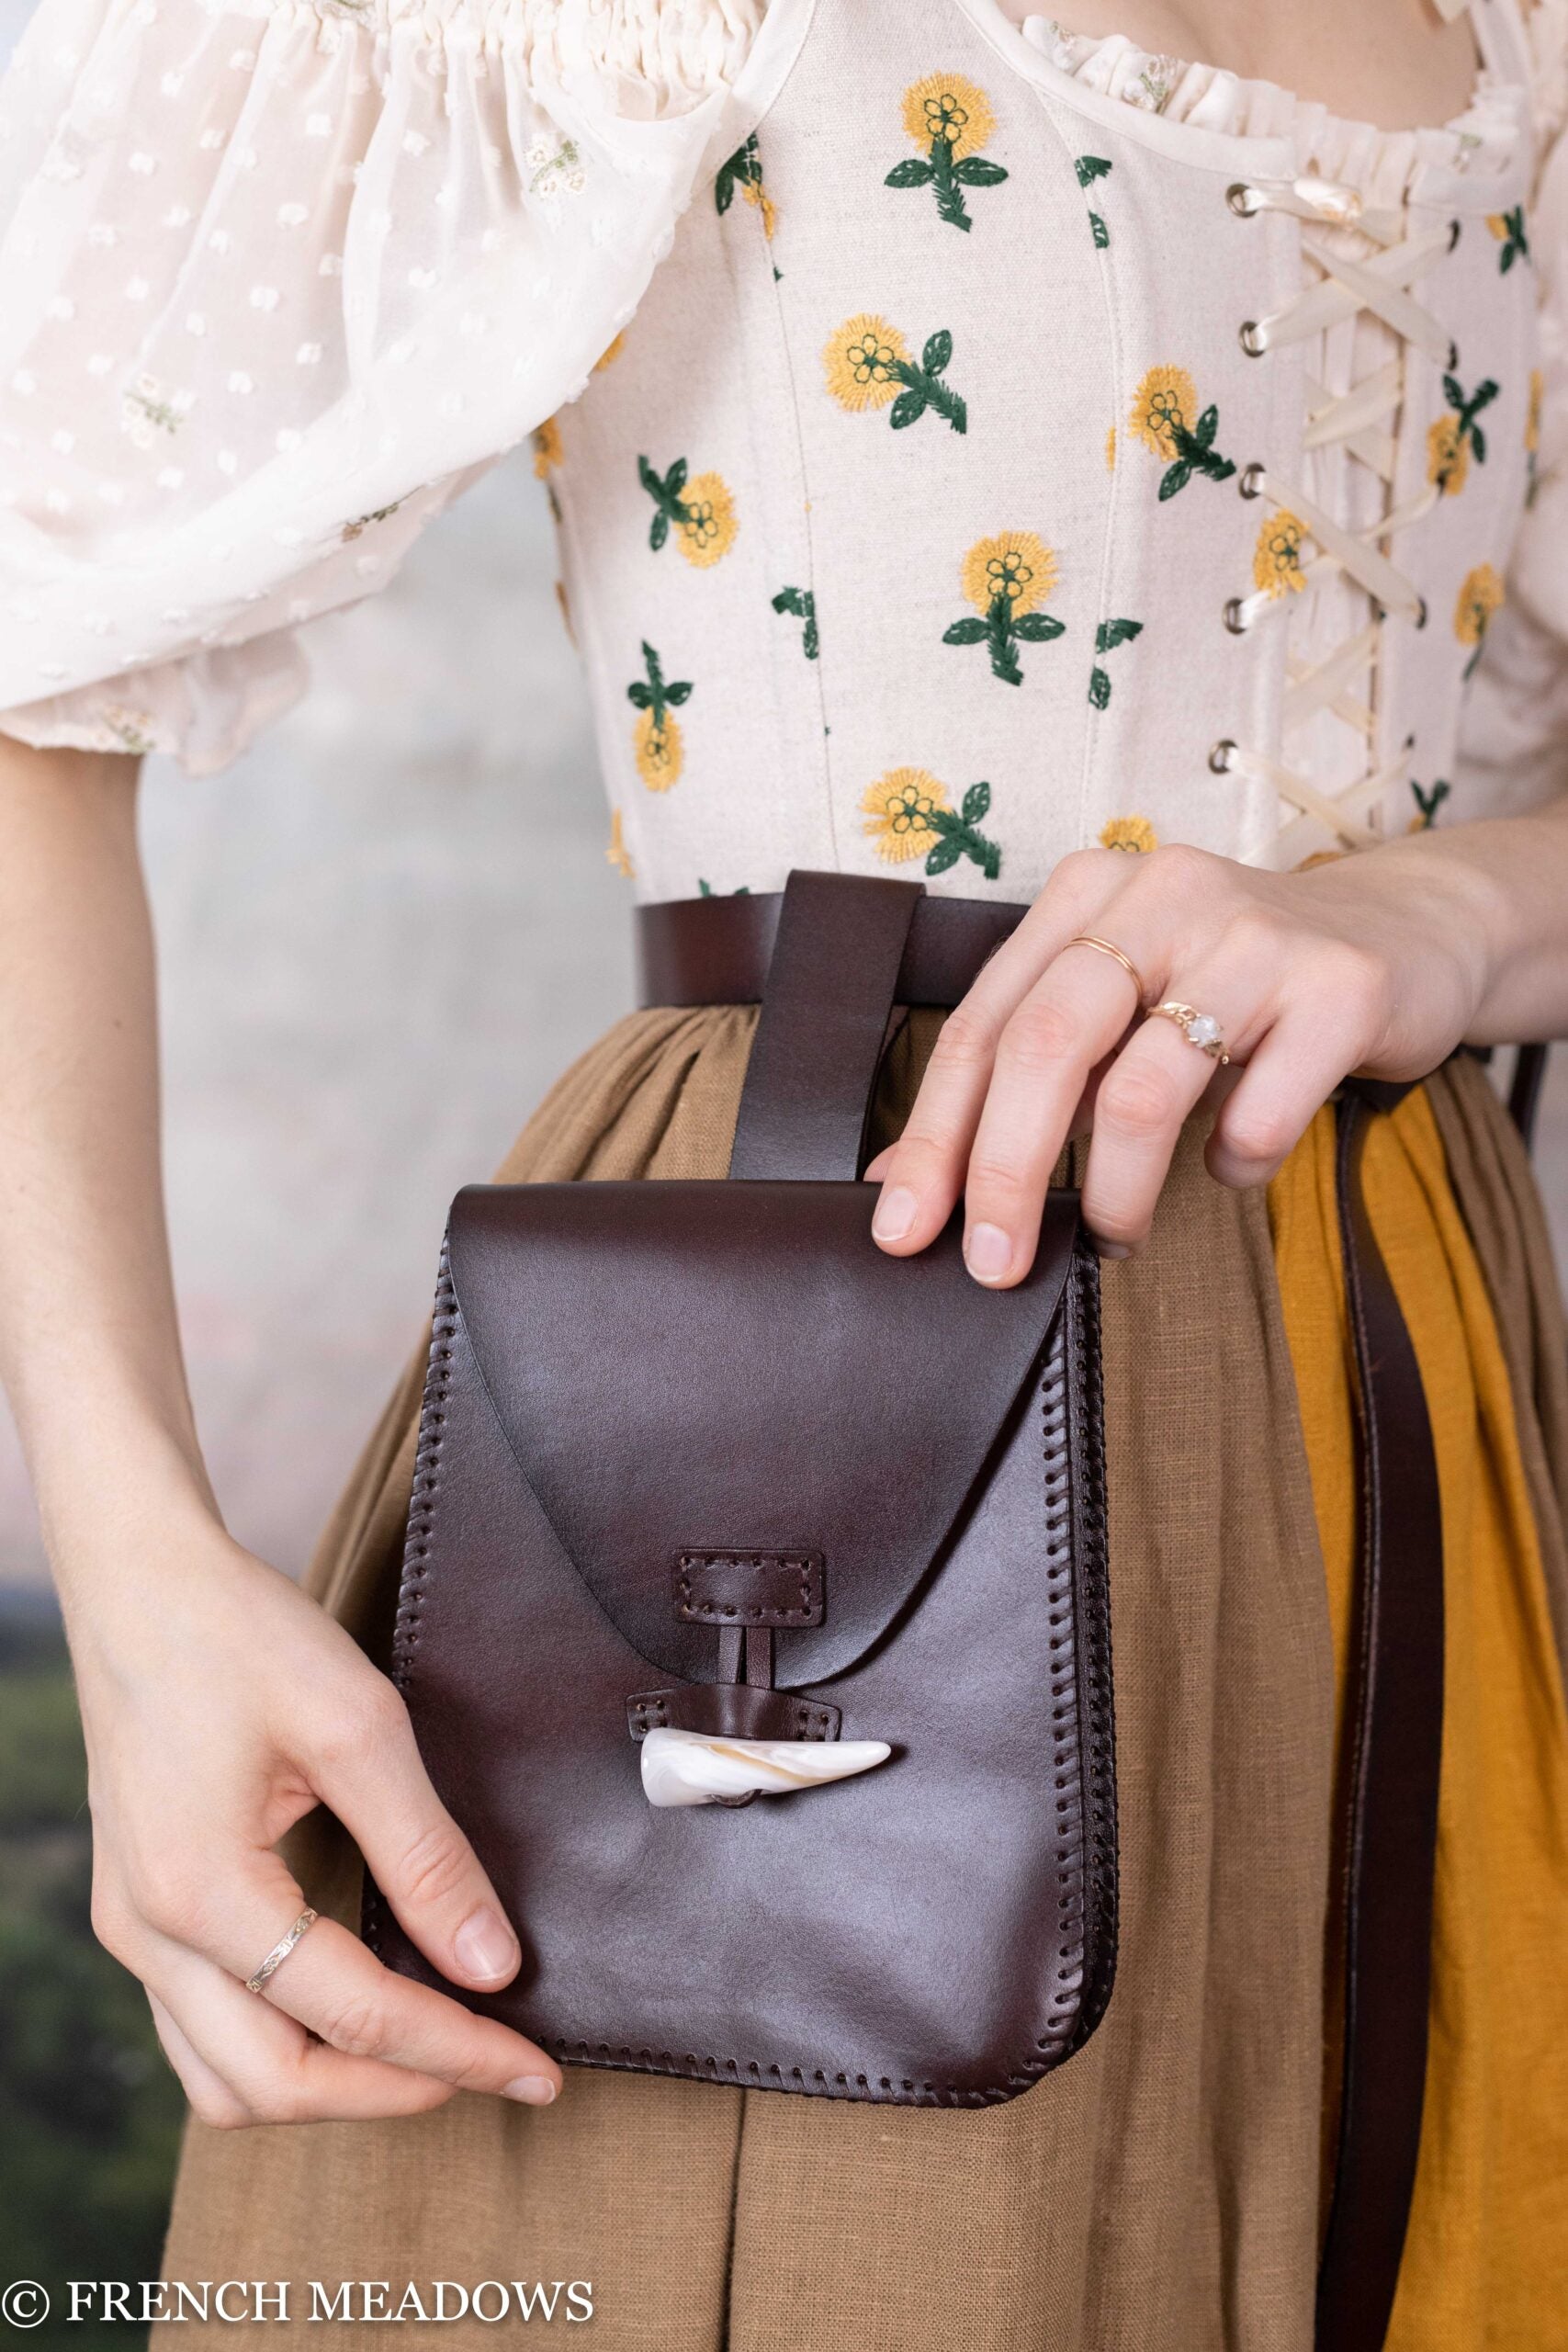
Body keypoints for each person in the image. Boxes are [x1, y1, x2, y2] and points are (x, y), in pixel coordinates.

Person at [2, 0, 1567, 2341]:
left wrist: (1433, 911)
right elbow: (34, 664)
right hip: (816, 1329)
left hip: (1414, 1371)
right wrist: (130, 1570)